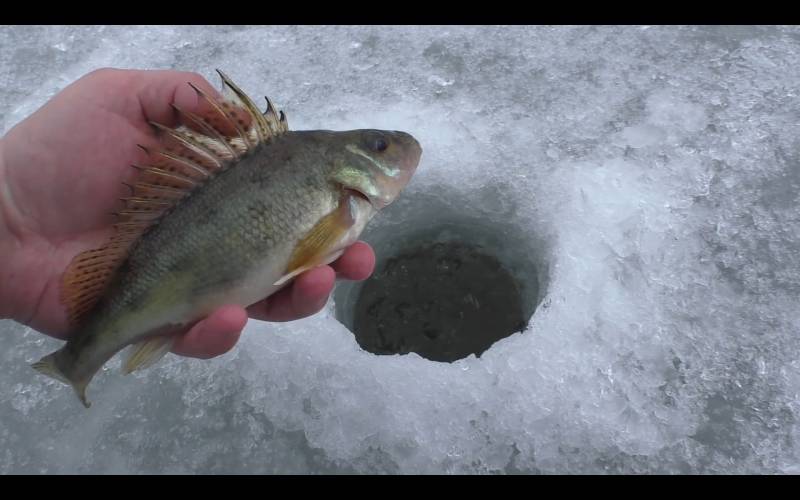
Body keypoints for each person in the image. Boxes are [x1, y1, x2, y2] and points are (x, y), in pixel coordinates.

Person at [0, 68, 376, 360]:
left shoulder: (325, 175)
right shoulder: (334, 187)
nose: (391, 149)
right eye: (379, 146)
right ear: (349, 173)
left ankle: (91, 350)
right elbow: (310, 250)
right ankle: (83, 355)